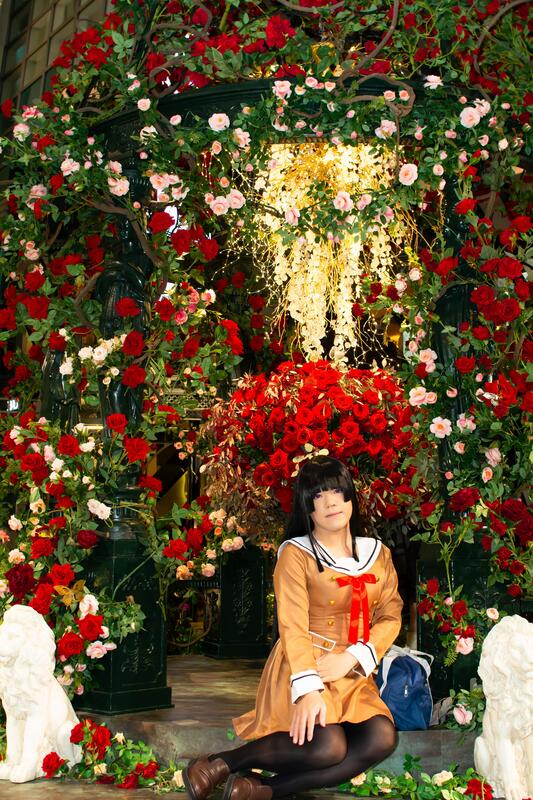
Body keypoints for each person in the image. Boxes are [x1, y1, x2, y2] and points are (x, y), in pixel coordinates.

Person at [184, 455, 403, 800]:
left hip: (351, 670)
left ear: (350, 496)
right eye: (318, 496)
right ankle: (219, 763)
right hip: (304, 662)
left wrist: (352, 658)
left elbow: (391, 616)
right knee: (328, 746)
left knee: (381, 738)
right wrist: (308, 690)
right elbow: (292, 625)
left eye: (336, 491)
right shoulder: (296, 554)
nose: (330, 502)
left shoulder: (378, 554)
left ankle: (261, 789)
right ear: (307, 508)